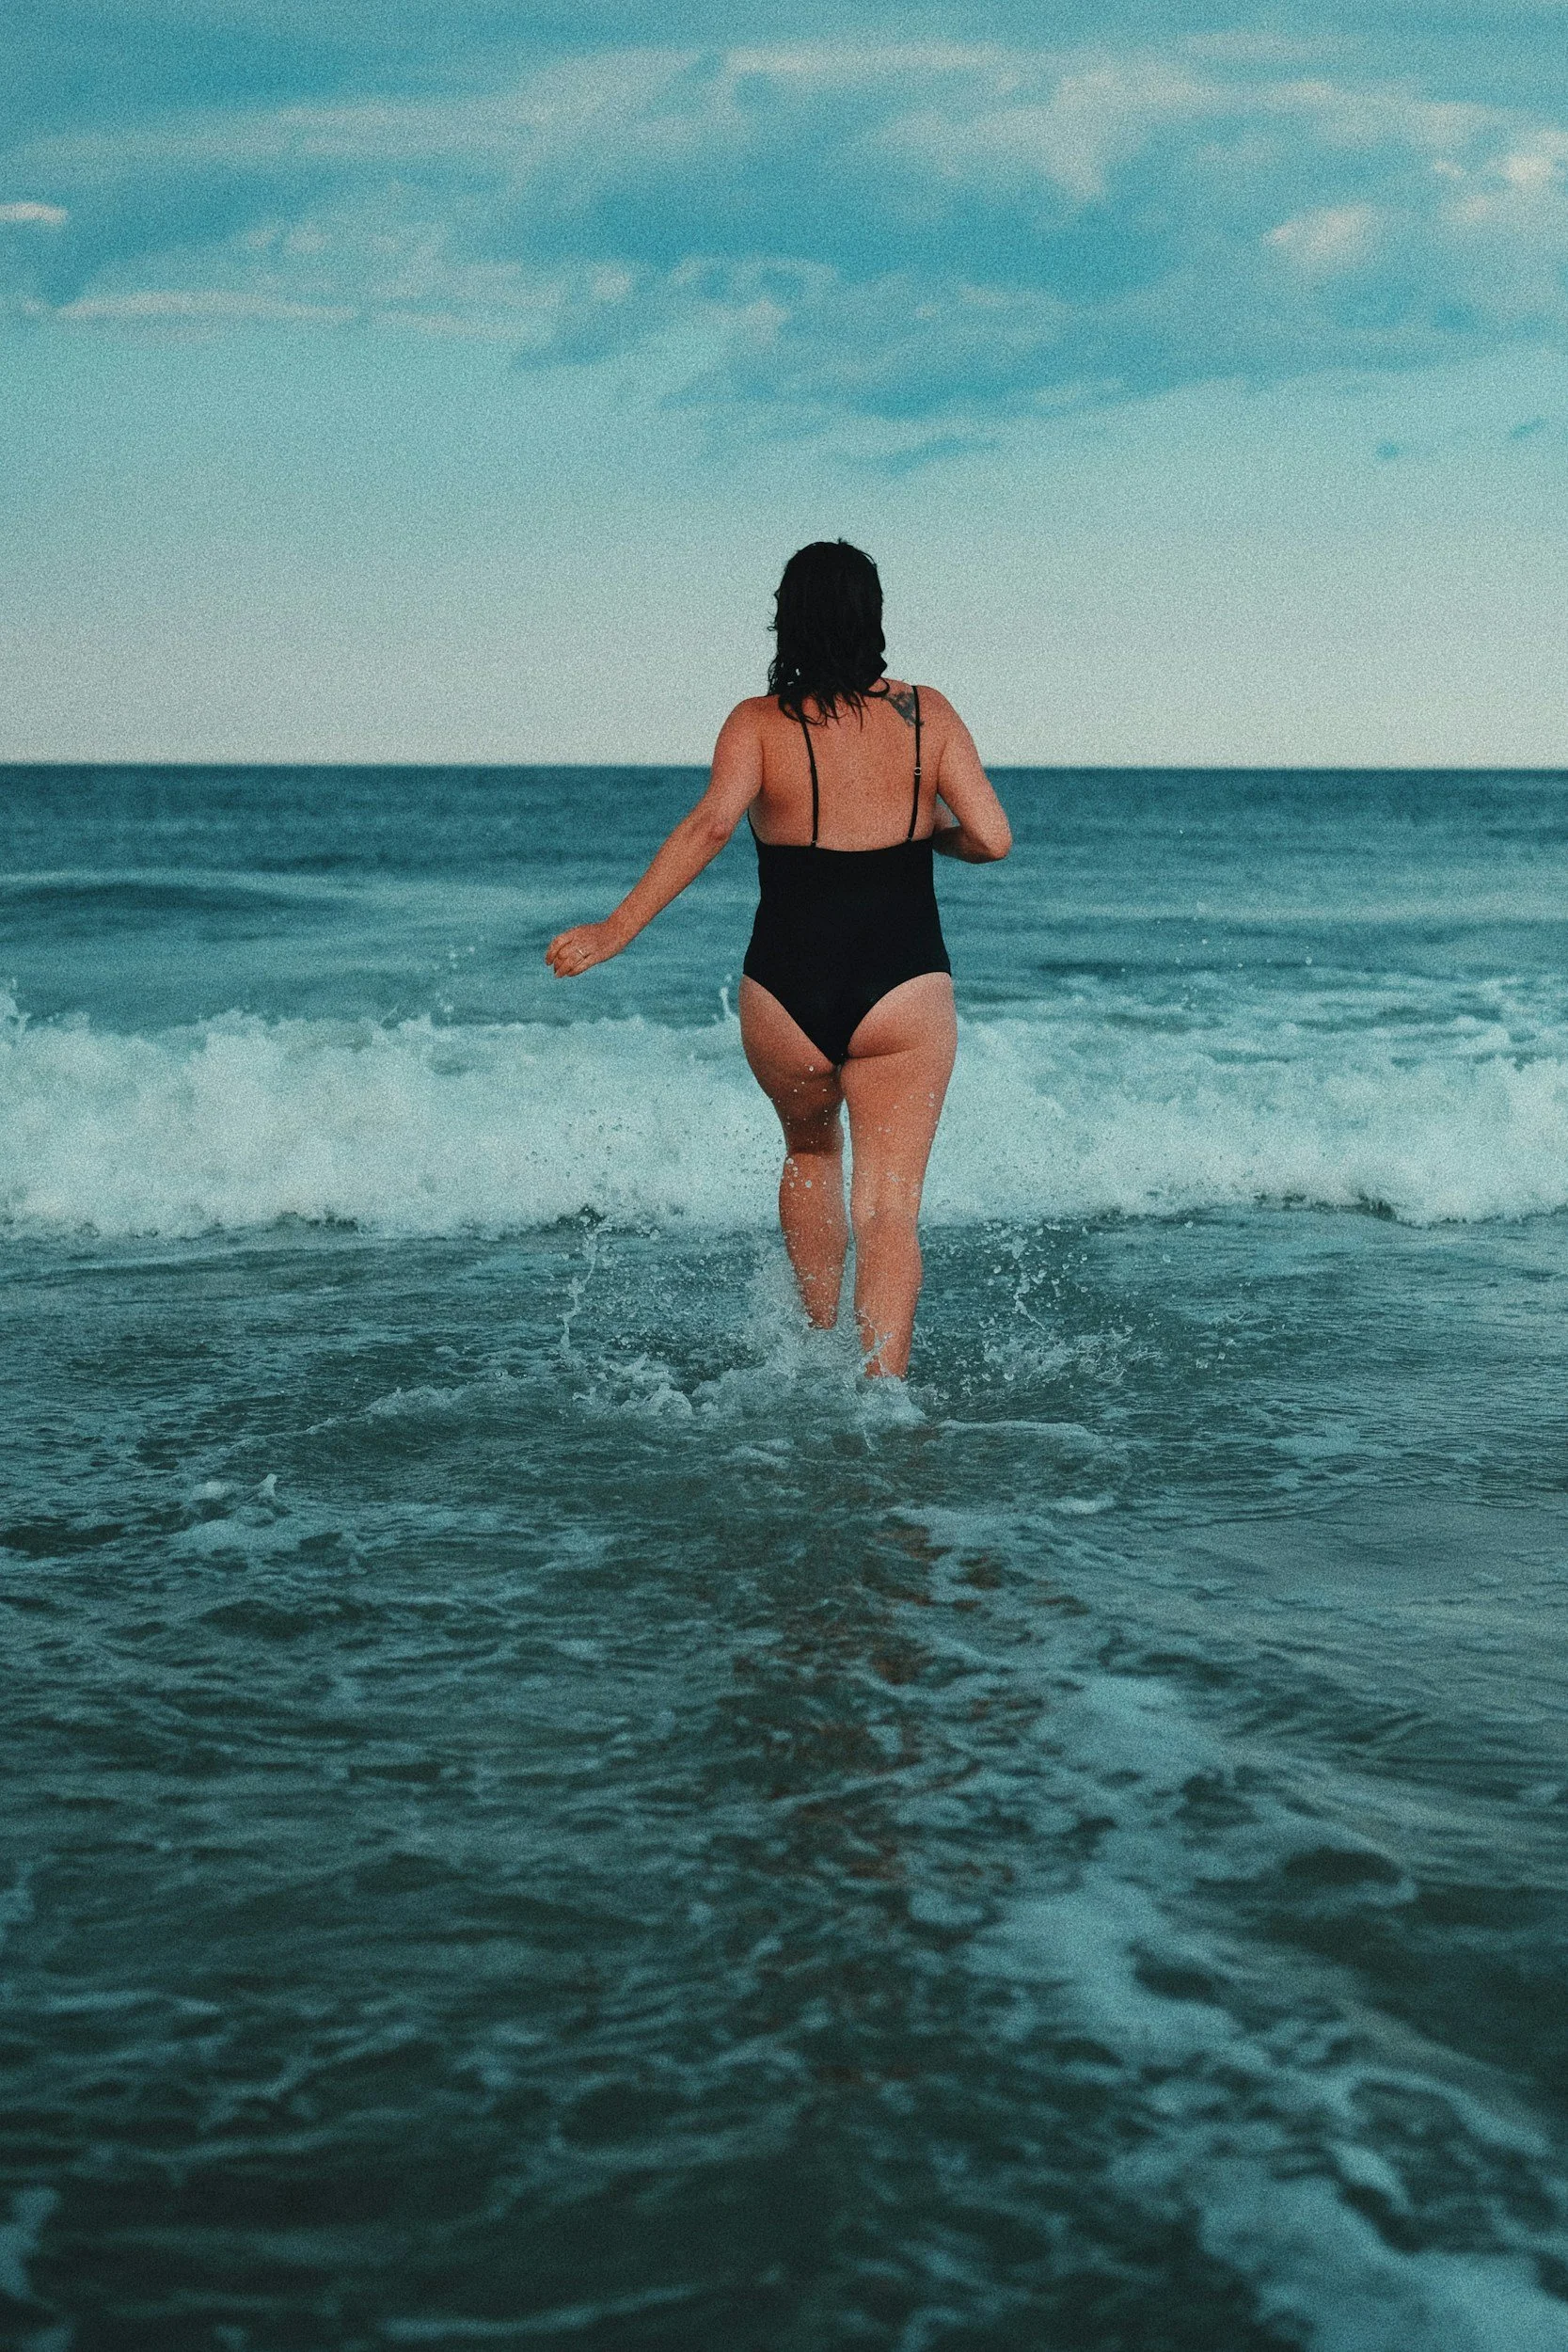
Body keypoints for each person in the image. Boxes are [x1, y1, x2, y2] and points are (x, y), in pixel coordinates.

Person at [546, 540, 1011, 1377]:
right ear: (873, 616)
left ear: (785, 617)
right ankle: (883, 1394)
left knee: (809, 1153)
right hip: (902, 987)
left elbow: (710, 827)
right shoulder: (926, 713)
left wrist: (613, 932)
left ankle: (817, 1347)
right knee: (888, 1210)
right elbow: (994, 837)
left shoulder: (755, 723)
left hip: (783, 992)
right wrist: (930, 839)